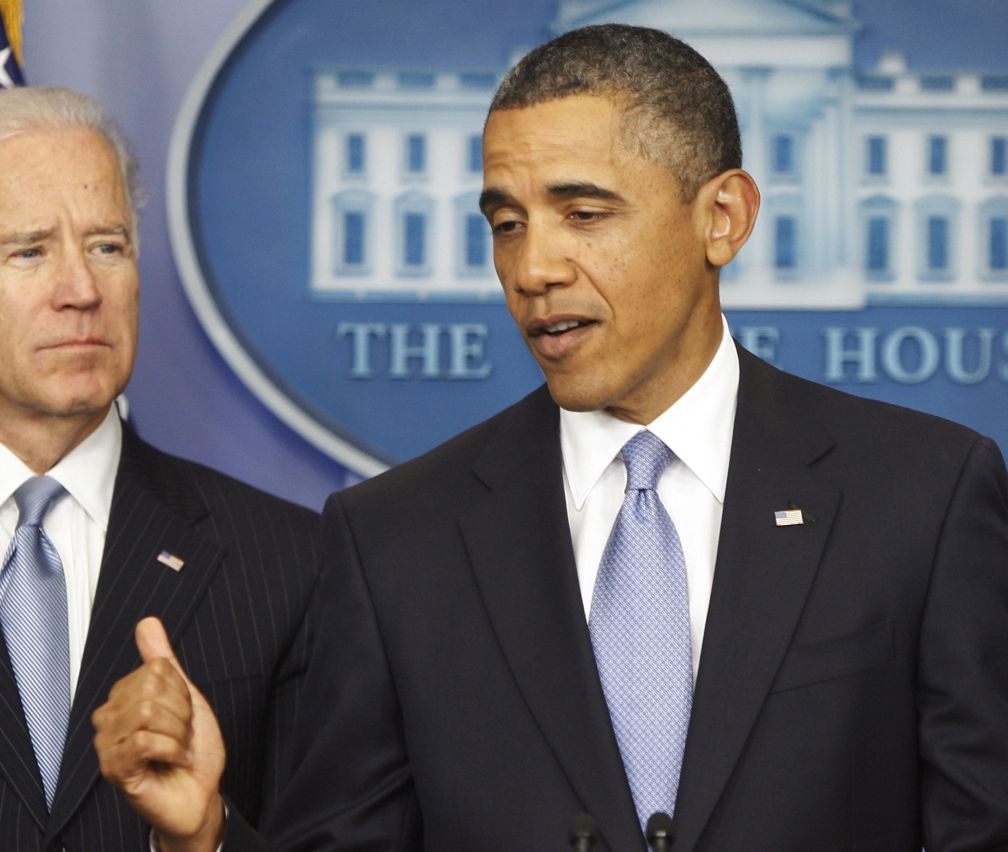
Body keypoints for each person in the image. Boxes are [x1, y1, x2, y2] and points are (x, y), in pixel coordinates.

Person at [97, 24, 1008, 850]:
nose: (532, 268)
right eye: (507, 224)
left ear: (722, 218)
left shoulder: (921, 497)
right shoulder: (396, 541)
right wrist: (206, 838)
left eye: (584, 215)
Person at [0, 86, 317, 851]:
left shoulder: (288, 562)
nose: (82, 291)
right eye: (29, 251)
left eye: (107, 246)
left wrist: (204, 840)